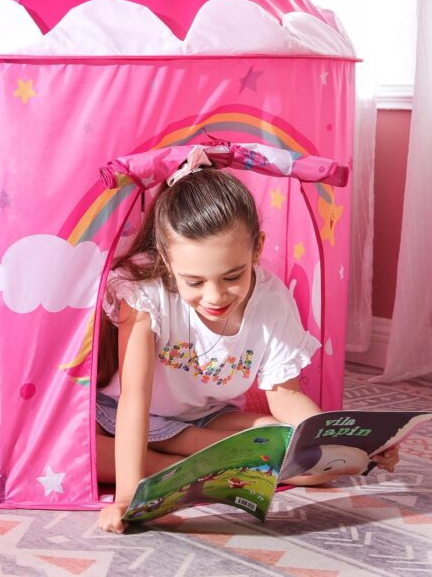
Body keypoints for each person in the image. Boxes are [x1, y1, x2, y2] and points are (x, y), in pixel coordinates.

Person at [95, 167, 399, 533]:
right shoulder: (144, 294)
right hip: (122, 417)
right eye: (194, 282)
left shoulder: (271, 300)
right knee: (80, 452)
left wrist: (351, 443)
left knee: (307, 457)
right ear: (166, 257)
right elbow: (135, 397)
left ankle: (189, 462)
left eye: (232, 276)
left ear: (257, 248)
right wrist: (130, 496)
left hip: (208, 417)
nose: (215, 296)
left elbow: (286, 397)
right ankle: (167, 467)